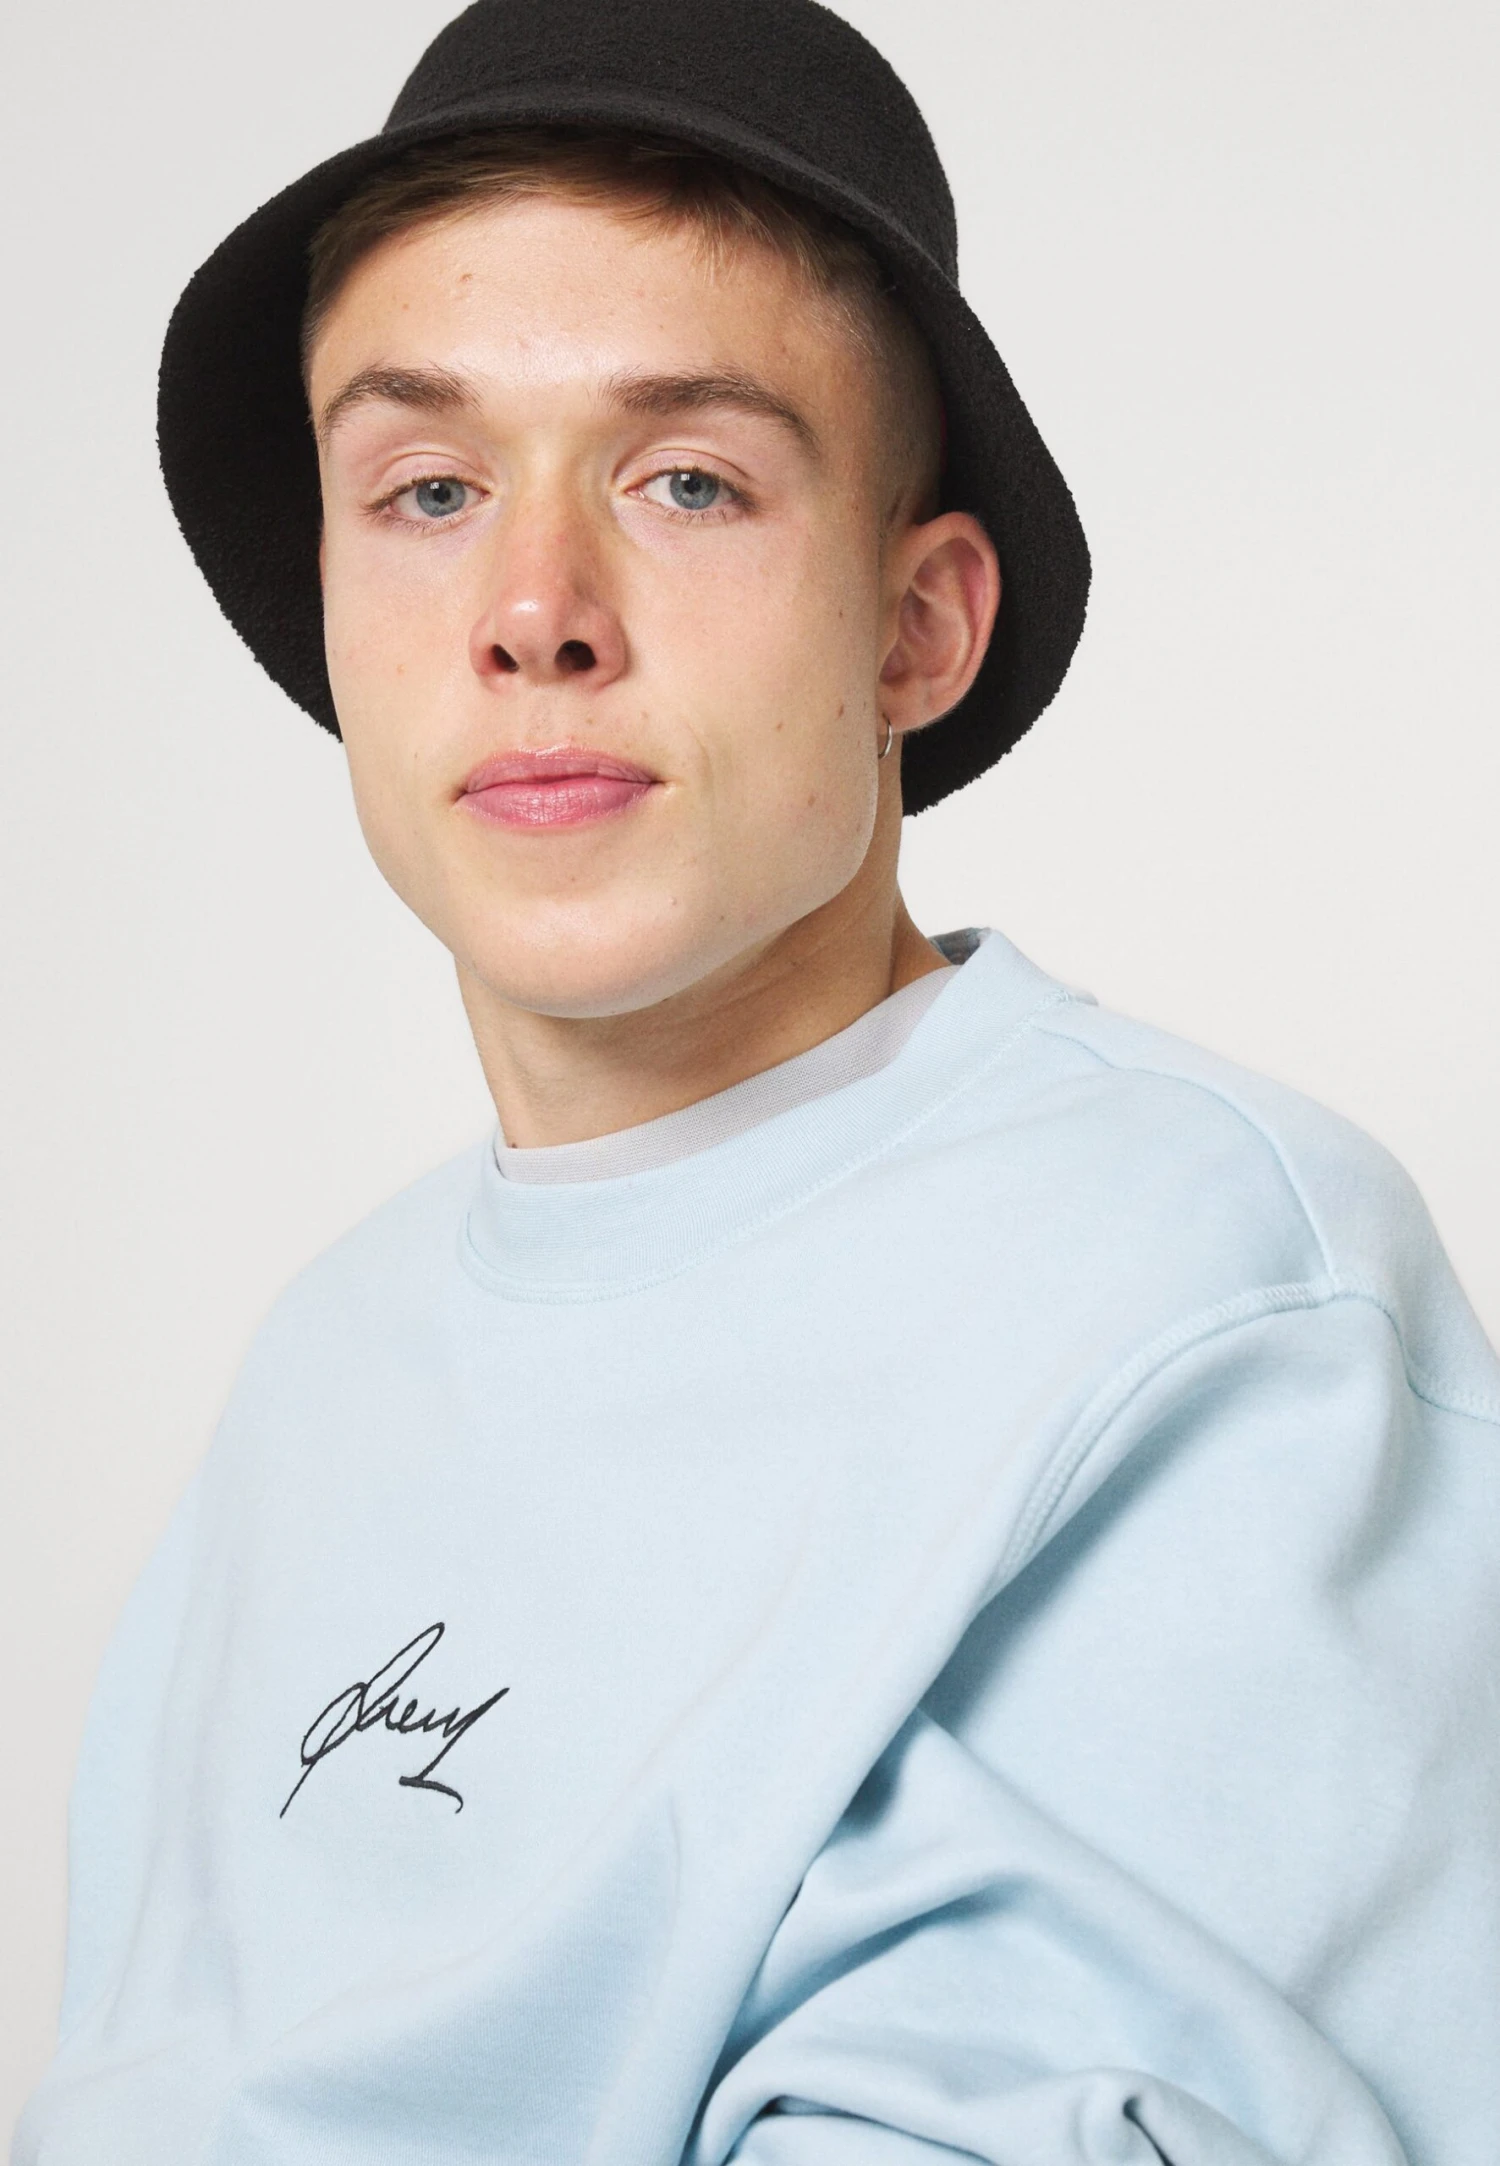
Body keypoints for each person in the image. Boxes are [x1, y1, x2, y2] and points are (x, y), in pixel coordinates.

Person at [14, 0, 1500, 2160]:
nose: (534, 609)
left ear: (917, 629)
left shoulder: (1206, 1289)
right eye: (428, 490)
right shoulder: (326, 1360)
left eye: (688, 479)